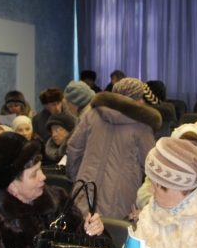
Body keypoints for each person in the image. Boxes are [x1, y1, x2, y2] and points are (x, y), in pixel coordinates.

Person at [66, 78, 160, 219]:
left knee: (83, 226)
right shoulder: (142, 125)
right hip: (122, 195)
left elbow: (74, 147)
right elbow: (151, 163)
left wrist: (74, 178)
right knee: (115, 229)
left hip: (86, 187)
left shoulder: (92, 114)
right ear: (138, 98)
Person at [136, 123, 197, 210]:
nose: (188, 149)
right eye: (183, 144)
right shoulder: (160, 170)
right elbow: (142, 198)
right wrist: (161, 205)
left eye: (194, 145)